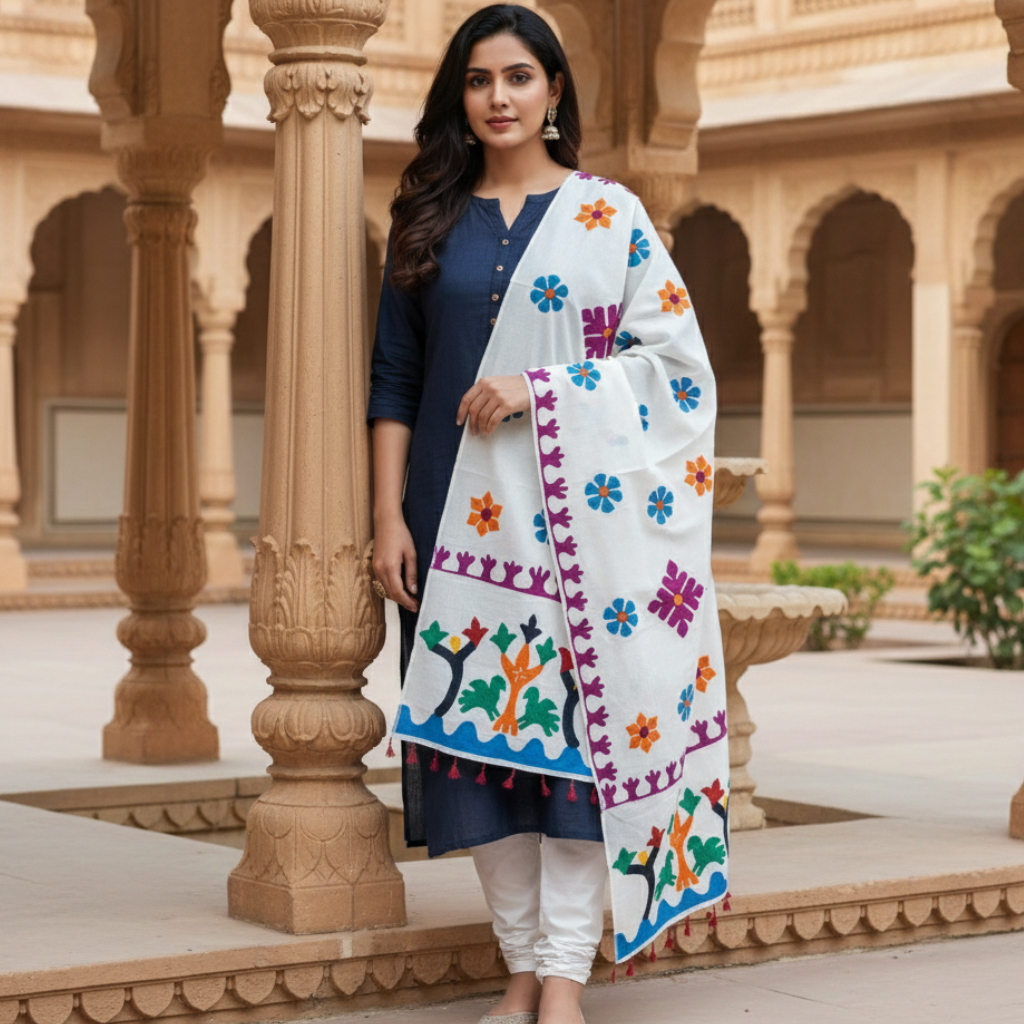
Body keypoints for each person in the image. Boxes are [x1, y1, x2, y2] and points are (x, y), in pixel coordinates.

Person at [369, 6, 729, 1024]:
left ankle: (564, 974)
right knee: (485, 753)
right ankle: (520, 966)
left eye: (519, 76)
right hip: (452, 520)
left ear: (554, 89)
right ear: (460, 94)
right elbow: (393, 378)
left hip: (583, 532)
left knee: (572, 754)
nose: (499, 98)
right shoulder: (427, 218)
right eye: (479, 79)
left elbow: (679, 375)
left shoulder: (609, 217)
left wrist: (543, 389)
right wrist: (387, 516)